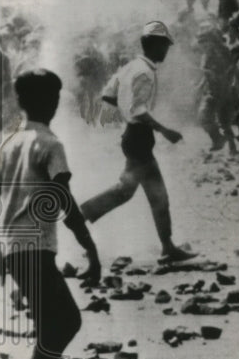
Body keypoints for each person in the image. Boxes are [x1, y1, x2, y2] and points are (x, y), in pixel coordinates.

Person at [0, 69, 101, 359]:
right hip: (34, 248)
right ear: (53, 101)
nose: (55, 102)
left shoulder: (10, 143)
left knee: (57, 324)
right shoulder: (50, 143)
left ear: (19, 101)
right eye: (54, 96)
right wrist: (90, 246)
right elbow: (62, 198)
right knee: (63, 323)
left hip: (14, 247)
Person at [79, 22, 196, 264]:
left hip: (133, 136)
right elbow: (139, 109)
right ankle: (80, 215)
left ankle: (81, 215)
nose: (166, 51)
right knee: (153, 195)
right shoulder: (145, 72)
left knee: (128, 191)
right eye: (164, 46)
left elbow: (108, 95)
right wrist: (165, 131)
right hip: (140, 138)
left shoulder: (131, 66)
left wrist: (127, 117)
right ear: (154, 45)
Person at [196, 28, 239, 155]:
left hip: (223, 90)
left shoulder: (221, 53)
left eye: (205, 41)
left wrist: (221, 77)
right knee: (204, 117)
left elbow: (231, 69)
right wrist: (200, 86)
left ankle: (231, 146)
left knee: (224, 120)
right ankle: (218, 139)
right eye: (201, 42)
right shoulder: (205, 55)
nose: (202, 45)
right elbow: (206, 73)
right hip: (211, 91)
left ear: (211, 41)